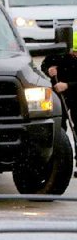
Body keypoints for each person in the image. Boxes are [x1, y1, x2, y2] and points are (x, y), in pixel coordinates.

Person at [41, 43, 77, 175]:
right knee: (59, 129)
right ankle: (58, 163)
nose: (75, 55)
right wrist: (48, 70)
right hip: (59, 97)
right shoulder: (57, 55)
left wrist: (67, 85)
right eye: (74, 52)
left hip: (74, 92)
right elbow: (43, 66)